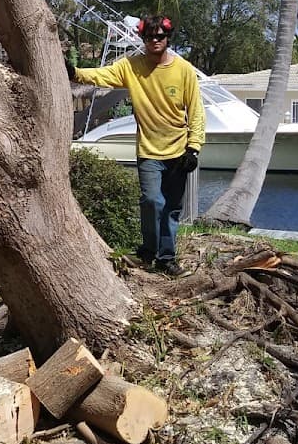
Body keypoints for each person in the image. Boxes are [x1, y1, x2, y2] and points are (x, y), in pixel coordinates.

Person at [67, 14, 205, 277]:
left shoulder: (183, 69)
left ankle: (166, 258)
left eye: (160, 36)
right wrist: (74, 72)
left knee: (171, 209)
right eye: (149, 37)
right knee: (152, 201)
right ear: (143, 39)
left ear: (167, 38)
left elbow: (197, 111)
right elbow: (102, 75)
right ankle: (149, 250)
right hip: (149, 151)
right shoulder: (131, 66)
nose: (155, 40)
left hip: (179, 151)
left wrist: (194, 147)